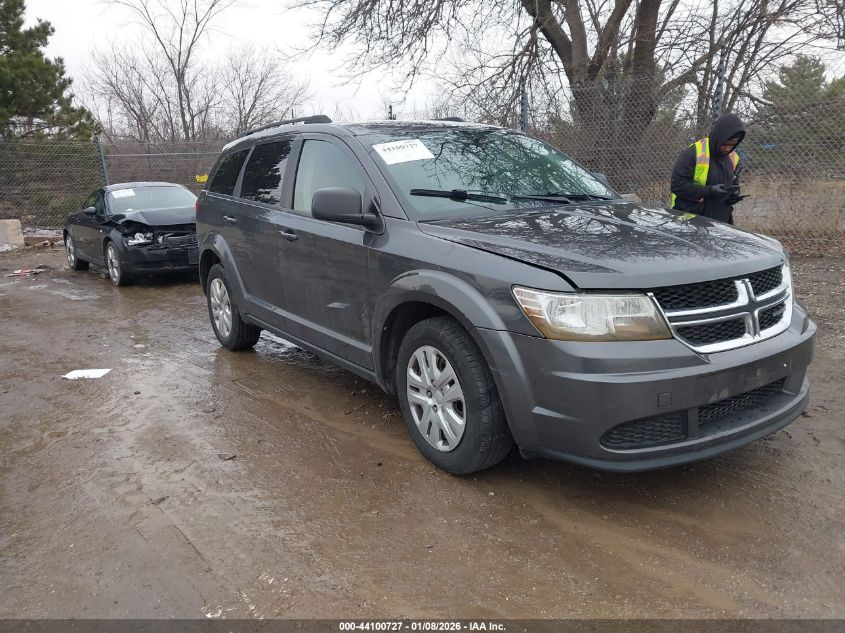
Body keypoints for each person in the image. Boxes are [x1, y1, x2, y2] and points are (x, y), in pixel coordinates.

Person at [670, 113, 746, 223]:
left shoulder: (734, 158)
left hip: (721, 221)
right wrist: (709, 191)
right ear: (718, 137)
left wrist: (732, 197)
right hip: (692, 220)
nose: (727, 148)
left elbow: (733, 184)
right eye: (725, 144)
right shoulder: (694, 153)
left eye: (732, 144)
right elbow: (677, 185)